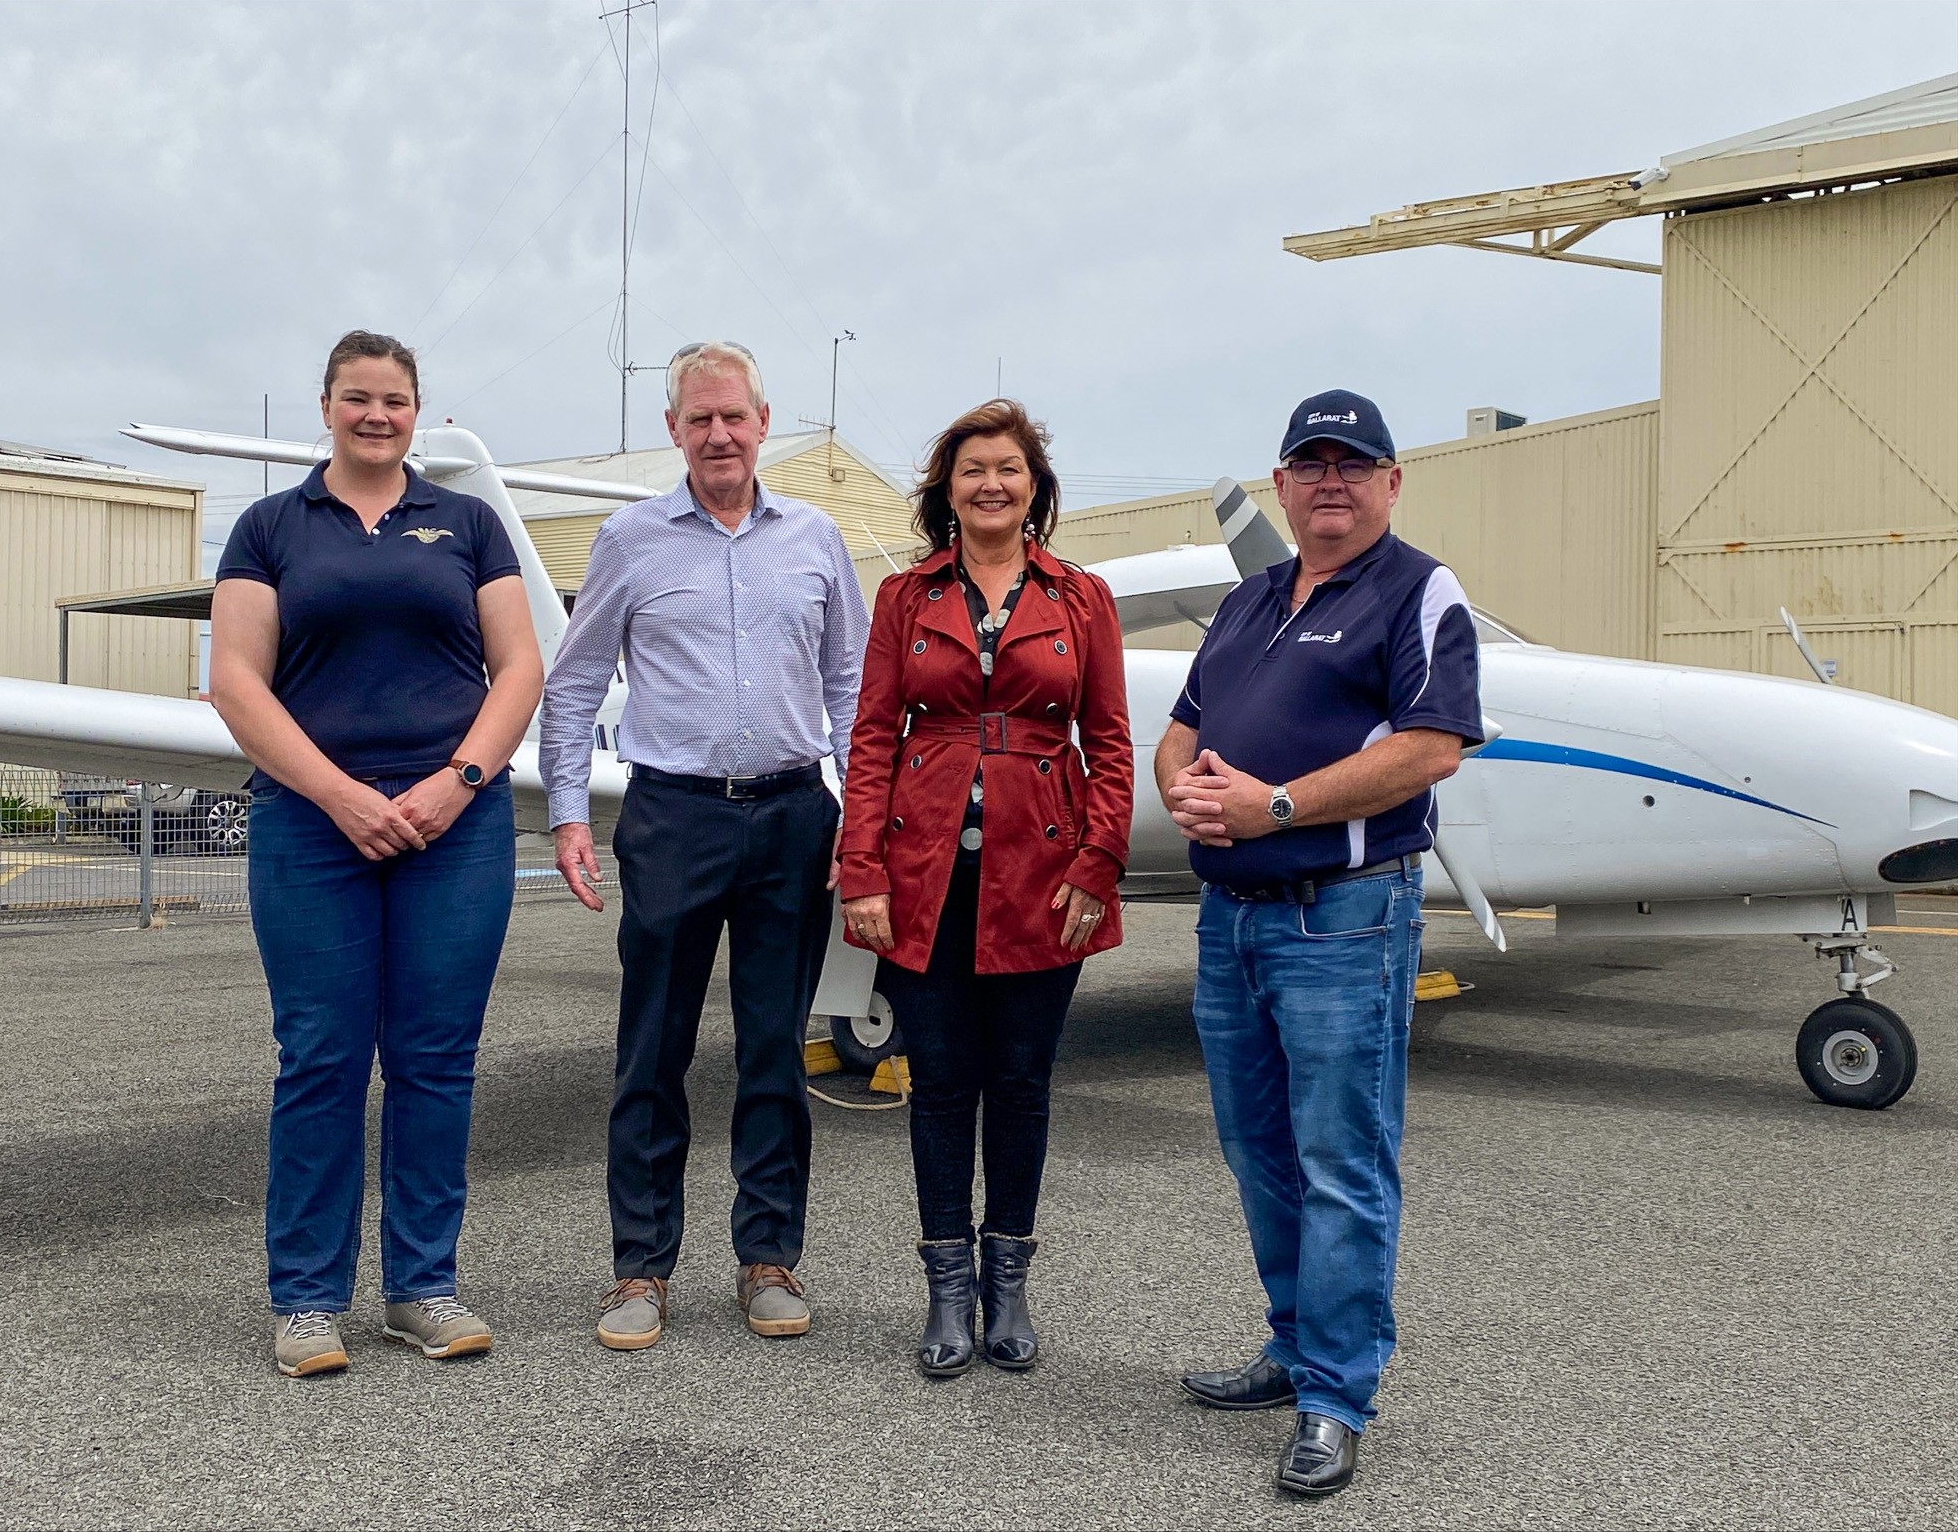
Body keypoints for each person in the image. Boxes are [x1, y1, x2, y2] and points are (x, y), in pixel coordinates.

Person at [1158, 389, 1481, 1496]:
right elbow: (1180, 733)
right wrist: (1188, 797)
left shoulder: (1415, 592)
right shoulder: (1248, 603)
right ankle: (1293, 1348)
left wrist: (1275, 807)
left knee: (1340, 1159)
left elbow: (1433, 747)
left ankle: (1336, 1396)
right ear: (1282, 484)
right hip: (1232, 918)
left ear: (1391, 483)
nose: (1329, 480)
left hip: (1341, 914)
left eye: (1354, 463)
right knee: (1256, 1148)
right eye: (1310, 463)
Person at [210, 329, 544, 1378]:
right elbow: (235, 683)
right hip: (313, 826)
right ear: (327, 406)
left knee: (436, 1060)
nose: (377, 414)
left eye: (395, 399)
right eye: (358, 397)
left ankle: (421, 1287)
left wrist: (457, 784)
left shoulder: (468, 523)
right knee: (320, 1057)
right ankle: (307, 1298)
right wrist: (344, 796)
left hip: (455, 824)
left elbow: (520, 664)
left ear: (416, 409)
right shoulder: (269, 527)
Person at [541, 341, 868, 1351]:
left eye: (734, 416)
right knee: (653, 1048)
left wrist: (860, 809)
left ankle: (767, 1256)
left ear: (762, 422)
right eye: (698, 419)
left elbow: (852, 683)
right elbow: (575, 677)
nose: (718, 434)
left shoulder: (814, 540)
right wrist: (563, 810)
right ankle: (639, 1266)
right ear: (675, 430)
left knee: (774, 1046)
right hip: (672, 817)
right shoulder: (629, 541)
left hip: (789, 816)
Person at [838, 399, 1134, 1377]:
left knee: (1019, 1084)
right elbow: (873, 735)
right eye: (972, 470)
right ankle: (945, 1291)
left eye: (1007, 468)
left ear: (1033, 485)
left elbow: (1112, 743)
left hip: (1044, 876)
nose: (990, 484)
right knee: (939, 1086)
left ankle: (1006, 1283)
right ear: (946, 490)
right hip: (924, 874)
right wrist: (861, 873)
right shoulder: (904, 597)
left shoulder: (1080, 597)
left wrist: (1096, 862)